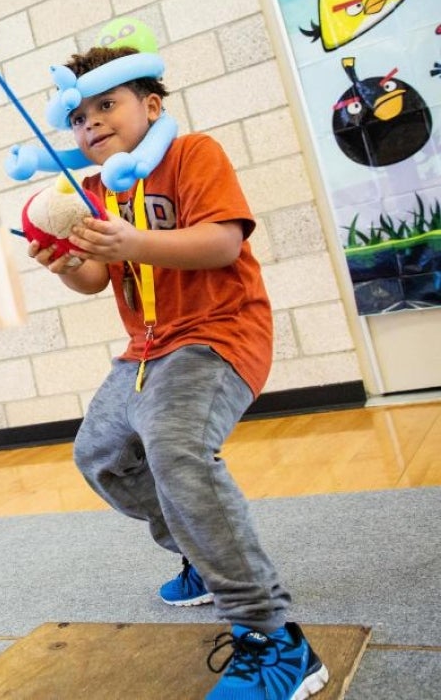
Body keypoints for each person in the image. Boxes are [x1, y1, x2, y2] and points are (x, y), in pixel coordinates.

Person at [26, 47, 328, 700]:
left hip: (219, 334)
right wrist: (65, 264)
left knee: (175, 448)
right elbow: (96, 279)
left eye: (107, 105)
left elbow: (222, 242)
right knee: (100, 455)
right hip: (146, 351)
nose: (92, 124)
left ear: (152, 106)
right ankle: (197, 551)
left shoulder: (193, 155)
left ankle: (275, 639)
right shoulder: (100, 188)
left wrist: (132, 241)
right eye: (78, 117)